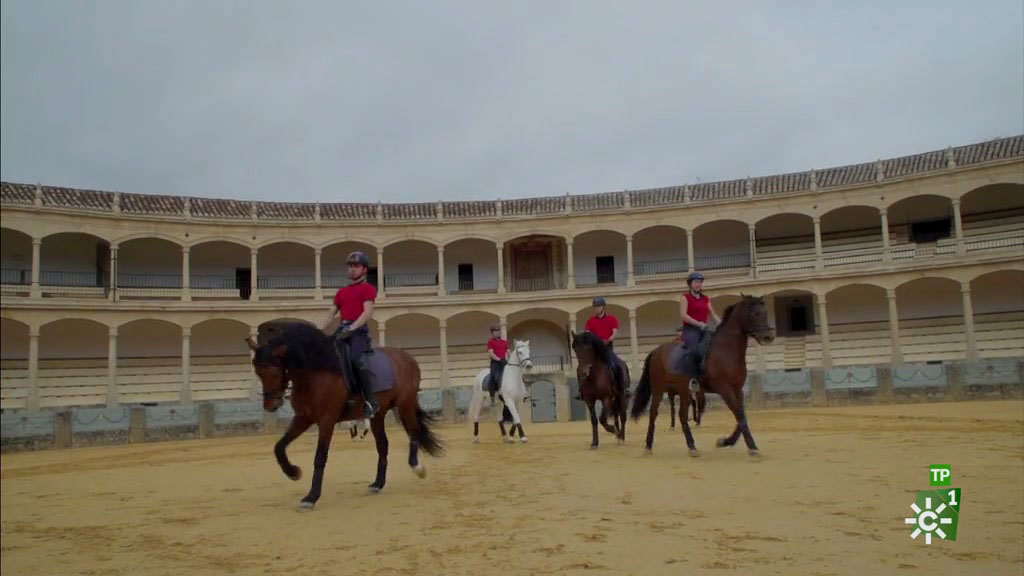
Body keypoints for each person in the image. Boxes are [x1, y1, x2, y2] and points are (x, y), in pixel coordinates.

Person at [320, 251, 379, 418]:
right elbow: (331, 313)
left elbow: (367, 313)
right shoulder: (341, 292)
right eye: (350, 266)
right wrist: (319, 330)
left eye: (356, 266)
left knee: (355, 360)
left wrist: (351, 328)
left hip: (358, 333)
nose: (352, 269)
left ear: (364, 269)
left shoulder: (368, 289)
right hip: (342, 331)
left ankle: (370, 401)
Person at [678, 272, 721, 384]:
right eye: (696, 282)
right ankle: (693, 379)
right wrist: (699, 324)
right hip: (690, 330)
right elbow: (683, 315)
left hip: (704, 329)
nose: (698, 284)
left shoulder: (706, 298)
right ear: (690, 284)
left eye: (700, 282)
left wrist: (720, 322)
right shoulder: (685, 297)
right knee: (694, 351)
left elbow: (712, 313)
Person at [583, 297, 625, 392]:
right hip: (594, 350)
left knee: (617, 365)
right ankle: (583, 390)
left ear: (603, 307)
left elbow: (614, 333)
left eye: (598, 306)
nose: (596, 309)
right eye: (595, 307)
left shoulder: (612, 319)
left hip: (607, 348)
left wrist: (608, 340)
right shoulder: (591, 321)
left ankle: (621, 387)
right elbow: (587, 333)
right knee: (583, 367)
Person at [486, 325, 508, 401]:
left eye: (498, 331)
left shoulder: (504, 342)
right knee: (494, 377)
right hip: (495, 363)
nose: (498, 332)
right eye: (496, 331)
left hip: (504, 362)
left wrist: (510, 360)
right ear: (492, 333)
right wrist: (499, 359)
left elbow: (508, 351)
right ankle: (492, 396)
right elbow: (491, 354)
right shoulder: (490, 342)